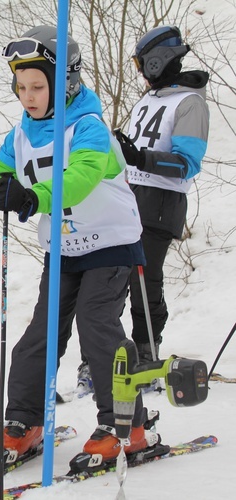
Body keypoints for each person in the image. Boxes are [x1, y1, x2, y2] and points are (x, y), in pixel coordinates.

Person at [0, 26, 162, 473]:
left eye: (38, 86)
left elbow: (80, 177)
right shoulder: (21, 135)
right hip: (63, 250)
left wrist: (33, 196)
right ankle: (24, 421)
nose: (28, 96)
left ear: (66, 83)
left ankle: (127, 427)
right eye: (21, 87)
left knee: (98, 327)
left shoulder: (89, 127)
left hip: (111, 245)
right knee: (39, 336)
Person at [115, 26, 209, 364]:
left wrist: (142, 159)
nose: (140, 73)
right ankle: (112, 349)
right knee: (115, 274)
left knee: (144, 278)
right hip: (131, 195)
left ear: (156, 62)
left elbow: (187, 163)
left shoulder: (190, 103)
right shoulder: (149, 100)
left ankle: (146, 347)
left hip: (161, 201)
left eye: (142, 65)